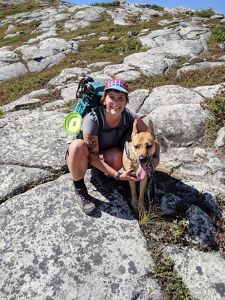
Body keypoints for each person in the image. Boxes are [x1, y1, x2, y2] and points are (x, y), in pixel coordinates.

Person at [67, 78, 160, 214]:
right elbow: (93, 157)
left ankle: (101, 173)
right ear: (104, 100)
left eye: (120, 98)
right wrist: (118, 176)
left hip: (107, 154)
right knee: (77, 147)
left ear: (126, 101)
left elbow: (152, 139)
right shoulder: (92, 120)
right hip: (86, 157)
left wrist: (156, 159)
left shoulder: (130, 117)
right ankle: (80, 189)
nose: (116, 103)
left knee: (117, 157)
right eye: (112, 97)